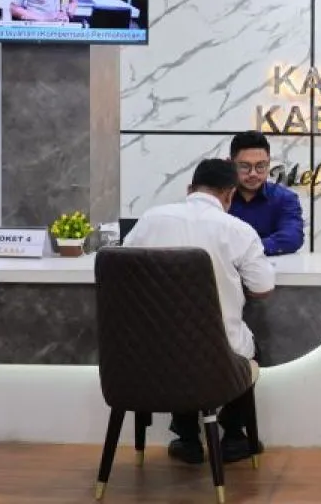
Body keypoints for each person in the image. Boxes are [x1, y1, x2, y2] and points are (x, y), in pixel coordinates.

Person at [122, 158, 276, 465]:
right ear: (230, 194)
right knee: (247, 350)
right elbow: (262, 287)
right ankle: (233, 436)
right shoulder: (238, 230)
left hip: (150, 355)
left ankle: (188, 437)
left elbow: (123, 268)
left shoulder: (151, 219)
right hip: (218, 354)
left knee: (177, 343)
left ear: (190, 189)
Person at [227, 132, 305, 255]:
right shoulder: (219, 197)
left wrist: (246, 249)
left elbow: (292, 237)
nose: (253, 173)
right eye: (245, 166)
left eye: (260, 166)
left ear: (268, 164)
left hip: (273, 266)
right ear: (230, 164)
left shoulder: (285, 198)